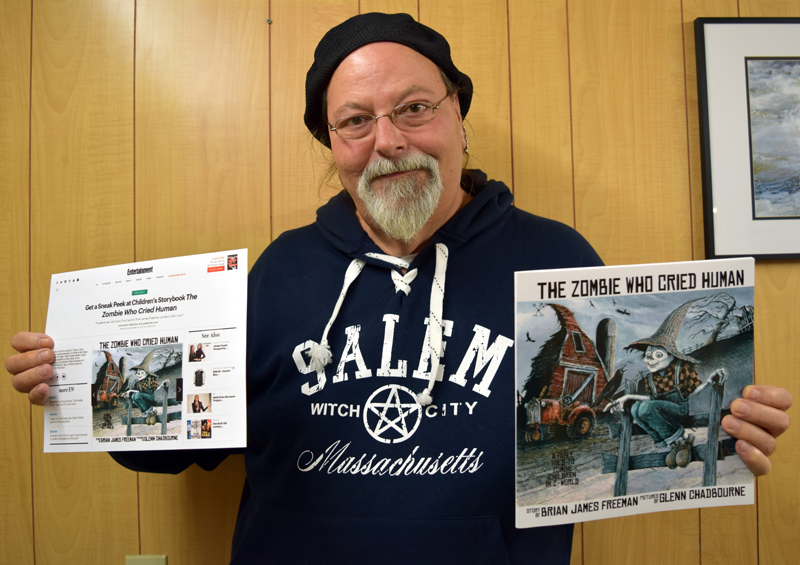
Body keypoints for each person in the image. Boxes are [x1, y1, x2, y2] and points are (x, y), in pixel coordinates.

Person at [6, 12, 792, 565]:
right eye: (355, 121)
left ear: (457, 114)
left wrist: (715, 426)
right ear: (333, 144)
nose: (389, 141)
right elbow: (183, 447)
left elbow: (628, 402)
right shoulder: (277, 273)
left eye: (415, 108)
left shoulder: (560, 261)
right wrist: (81, 390)